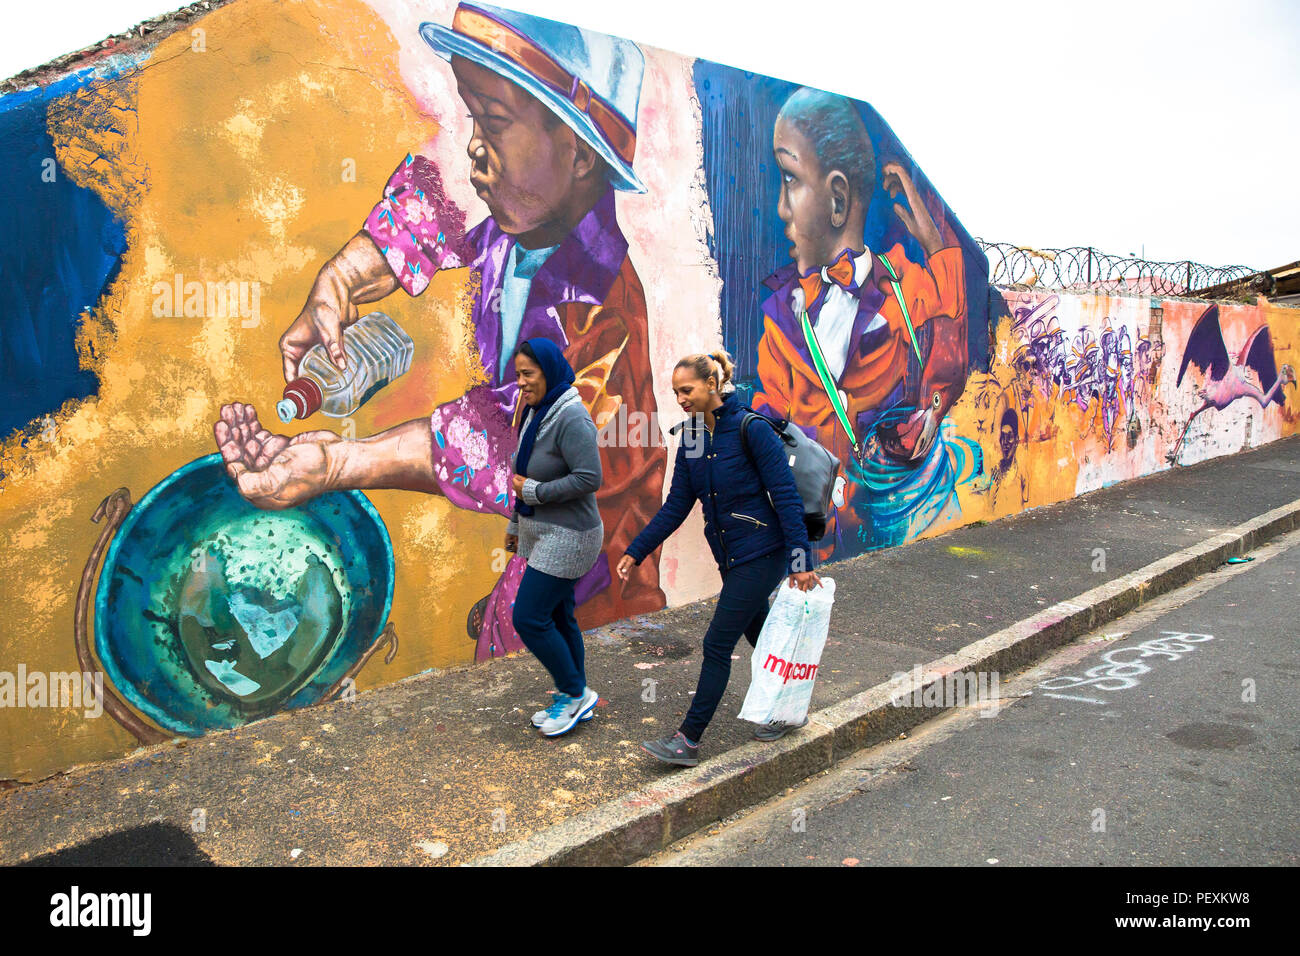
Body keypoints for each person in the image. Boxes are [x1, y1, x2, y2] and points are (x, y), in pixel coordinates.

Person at [219, 1, 667, 664]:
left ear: (576, 152)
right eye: (472, 116)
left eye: (493, 120)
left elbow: (509, 449)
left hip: (592, 590)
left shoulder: (597, 313)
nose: (474, 146)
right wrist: (343, 277)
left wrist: (340, 462)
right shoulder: (525, 227)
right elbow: (441, 211)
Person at [752, 87, 968, 558]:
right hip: (804, 532)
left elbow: (953, 299)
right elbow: (767, 421)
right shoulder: (782, 317)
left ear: (837, 199)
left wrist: (928, 233)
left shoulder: (903, 289)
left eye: (789, 179)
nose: (781, 209)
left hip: (880, 529)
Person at [616, 350, 822, 767]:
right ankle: (788, 710)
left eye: (687, 389)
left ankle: (688, 739)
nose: (681, 399)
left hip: (764, 552)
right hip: (730, 556)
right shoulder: (691, 436)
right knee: (761, 636)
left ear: (713, 384)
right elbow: (676, 506)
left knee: (716, 643)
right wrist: (637, 551)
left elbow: (785, 496)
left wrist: (801, 561)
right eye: (675, 392)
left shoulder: (751, 429)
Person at [506, 338, 603, 737]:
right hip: (543, 531)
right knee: (560, 615)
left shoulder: (571, 417)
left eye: (529, 374)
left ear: (548, 370)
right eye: (518, 376)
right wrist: (516, 524)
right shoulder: (537, 411)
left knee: (528, 617)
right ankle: (577, 692)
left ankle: (573, 692)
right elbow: (523, 472)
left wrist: (534, 493)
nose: (522, 383)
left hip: (570, 535)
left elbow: (589, 477)